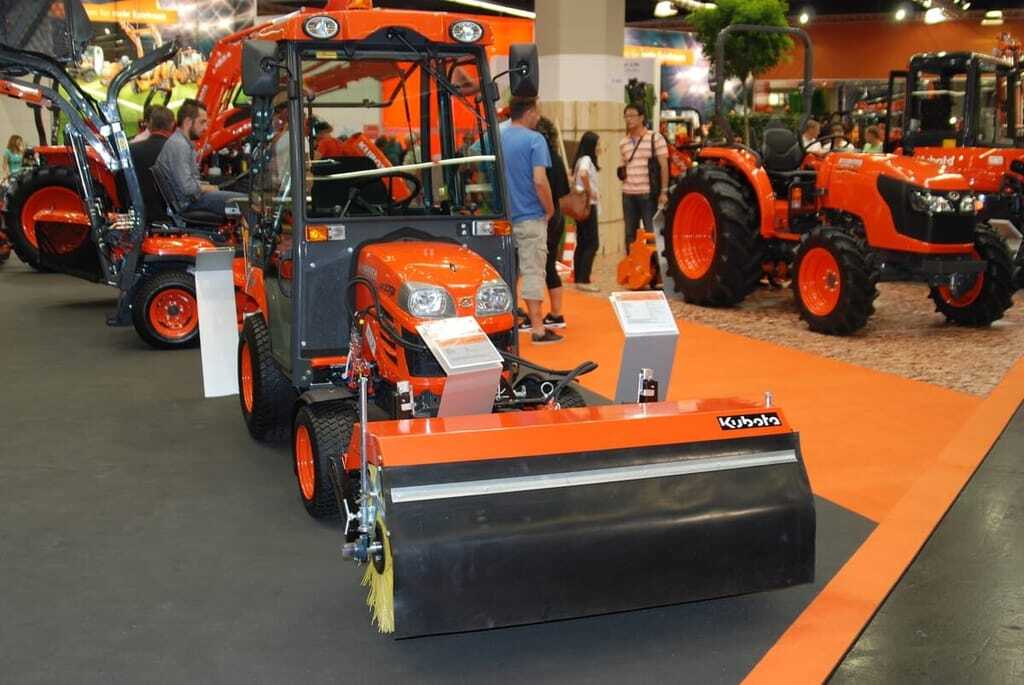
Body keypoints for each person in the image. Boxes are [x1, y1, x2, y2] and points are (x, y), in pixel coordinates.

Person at [500, 96, 559, 345]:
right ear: (529, 112)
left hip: (503, 218)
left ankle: (506, 325)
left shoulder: (498, 136)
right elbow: (539, 180)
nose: (539, 116)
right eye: (537, 111)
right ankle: (537, 328)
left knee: (507, 273)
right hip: (530, 216)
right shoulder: (536, 140)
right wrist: (550, 208)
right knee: (534, 270)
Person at [153, 99, 244, 218]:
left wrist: (208, 186)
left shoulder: (181, 143)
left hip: (190, 199)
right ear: (187, 122)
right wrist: (209, 187)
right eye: (202, 122)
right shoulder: (179, 145)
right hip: (189, 203)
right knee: (245, 203)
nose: (205, 128)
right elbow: (187, 188)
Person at [533, 116, 570, 330]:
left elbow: (537, 184)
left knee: (535, 267)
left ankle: (535, 317)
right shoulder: (556, 157)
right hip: (556, 215)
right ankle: (556, 313)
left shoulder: (537, 159)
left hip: (540, 215)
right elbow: (564, 190)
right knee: (549, 265)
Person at [619, 103, 668, 249]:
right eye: (626, 116)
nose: (629, 119)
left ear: (641, 118)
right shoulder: (623, 142)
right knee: (630, 234)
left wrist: (664, 192)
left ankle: (653, 262)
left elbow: (664, 166)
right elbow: (623, 166)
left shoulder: (655, 138)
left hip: (648, 194)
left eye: (632, 115)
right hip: (628, 194)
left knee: (651, 233)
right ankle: (633, 262)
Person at [129, 105, 175, 224]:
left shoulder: (131, 150)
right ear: (172, 125)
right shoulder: (177, 150)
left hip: (138, 216)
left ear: (149, 124)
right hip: (171, 218)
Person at [571, 130, 601, 292]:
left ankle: (579, 277)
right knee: (592, 242)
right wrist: (590, 191)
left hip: (581, 204)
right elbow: (583, 174)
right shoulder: (587, 160)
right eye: (597, 145)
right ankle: (584, 279)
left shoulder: (580, 159)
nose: (599, 148)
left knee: (582, 242)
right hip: (588, 204)